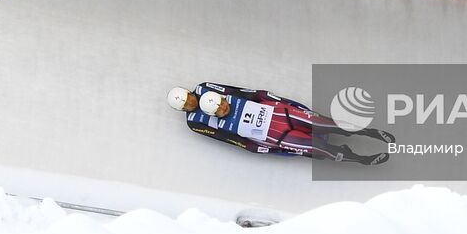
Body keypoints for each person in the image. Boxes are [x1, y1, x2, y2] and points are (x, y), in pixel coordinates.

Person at [166, 82, 391, 165]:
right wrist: (256, 148)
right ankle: (361, 159)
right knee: (318, 149)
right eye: (185, 105)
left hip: (281, 115)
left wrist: (278, 100)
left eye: (223, 104)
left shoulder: (208, 89)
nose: (224, 108)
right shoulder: (197, 121)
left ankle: (369, 132)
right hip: (275, 136)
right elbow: (229, 139)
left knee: (327, 124)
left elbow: (249, 93)